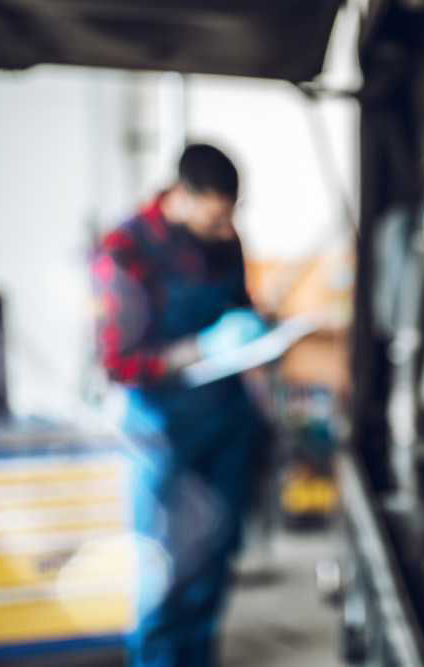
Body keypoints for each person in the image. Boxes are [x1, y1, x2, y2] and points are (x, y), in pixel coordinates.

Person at [92, 144, 269, 667]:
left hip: (226, 420)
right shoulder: (124, 248)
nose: (225, 228)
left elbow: (240, 309)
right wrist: (200, 348)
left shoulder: (224, 237)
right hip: (161, 429)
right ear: (182, 197)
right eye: (216, 216)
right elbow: (118, 364)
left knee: (213, 565)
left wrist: (258, 342)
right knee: (163, 572)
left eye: (231, 215)